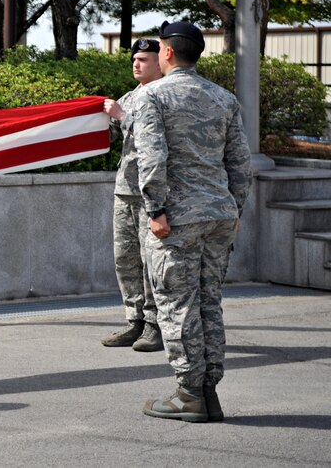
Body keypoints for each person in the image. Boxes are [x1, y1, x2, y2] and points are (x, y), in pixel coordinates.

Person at [134, 21, 252, 423]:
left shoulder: (154, 96)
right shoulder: (224, 98)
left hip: (178, 220)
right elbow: (240, 163)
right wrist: (234, 209)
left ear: (166, 52)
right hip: (219, 214)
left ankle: (189, 393)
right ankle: (209, 392)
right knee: (208, 303)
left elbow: (152, 160)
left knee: (177, 304)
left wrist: (155, 211)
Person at [100, 39, 164, 352]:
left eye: (143, 59)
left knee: (150, 259)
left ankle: (154, 325)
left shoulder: (164, 95)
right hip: (125, 189)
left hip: (150, 193)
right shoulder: (129, 96)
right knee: (125, 258)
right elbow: (115, 136)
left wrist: (122, 117)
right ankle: (134, 320)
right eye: (134, 59)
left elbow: (153, 137)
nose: (136, 64)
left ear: (160, 61)